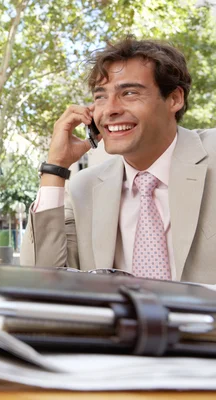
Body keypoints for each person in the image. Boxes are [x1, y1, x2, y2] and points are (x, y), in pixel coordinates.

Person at [20, 36, 216, 284]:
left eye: (130, 93)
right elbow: (43, 281)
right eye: (100, 96)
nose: (110, 109)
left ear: (174, 99)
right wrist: (55, 169)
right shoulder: (85, 188)